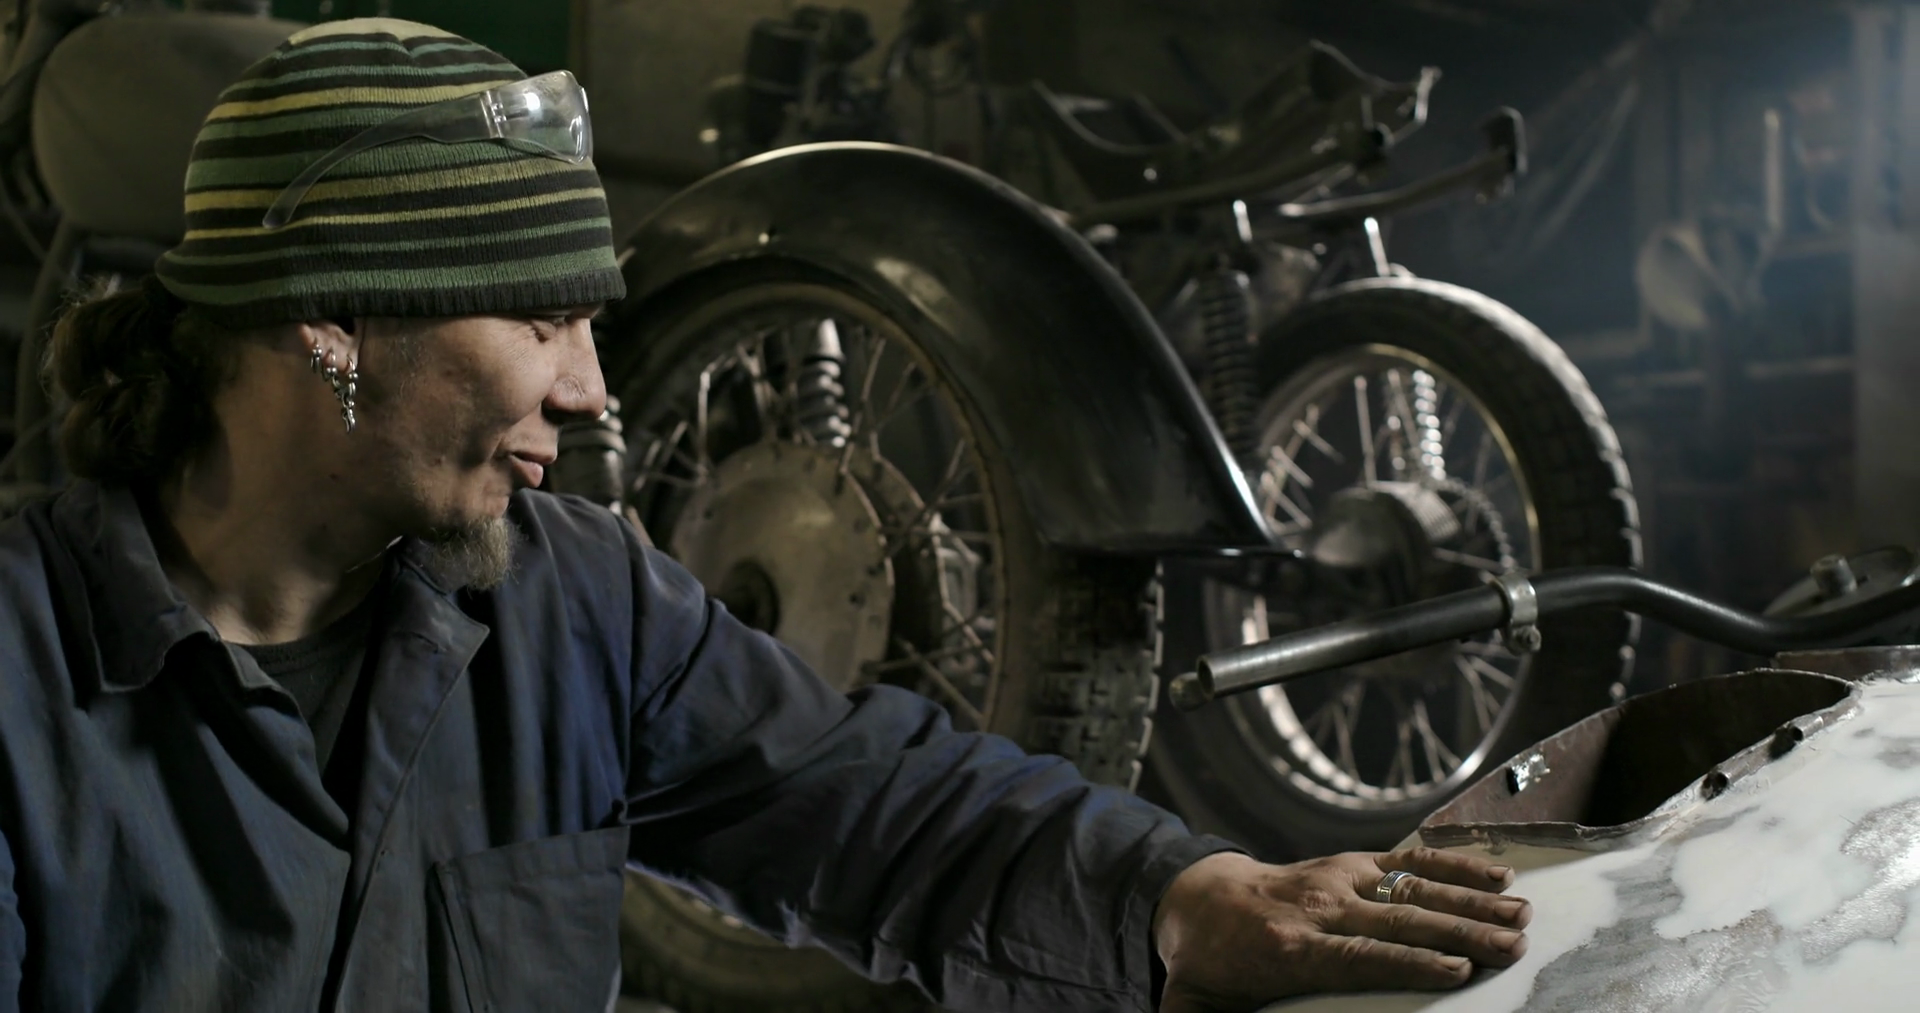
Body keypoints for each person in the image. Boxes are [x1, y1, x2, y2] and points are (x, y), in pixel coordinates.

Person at [0, 18, 1531, 1013]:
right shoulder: (18, 678)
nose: (591, 390)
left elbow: (879, 803)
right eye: (538, 323)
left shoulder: (569, 600)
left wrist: (1194, 897)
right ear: (334, 321)